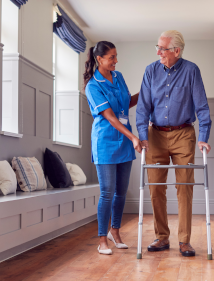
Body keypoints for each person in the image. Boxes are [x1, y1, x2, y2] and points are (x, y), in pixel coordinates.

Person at [136, 30, 212, 257]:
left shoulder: (191, 70)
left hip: (183, 134)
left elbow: (202, 107)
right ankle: (161, 237)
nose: (158, 52)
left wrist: (204, 137)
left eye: (163, 48)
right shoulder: (150, 71)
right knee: (155, 188)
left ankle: (185, 241)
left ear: (176, 51)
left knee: (185, 187)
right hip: (155, 135)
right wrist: (142, 136)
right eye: (157, 47)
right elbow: (142, 108)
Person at [84, 41, 141, 255]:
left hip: (125, 140)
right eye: (112, 57)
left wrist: (147, 90)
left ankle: (115, 232)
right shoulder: (93, 85)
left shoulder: (119, 77)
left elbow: (127, 104)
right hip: (105, 142)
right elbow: (109, 116)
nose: (116, 61)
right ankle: (102, 239)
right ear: (99, 59)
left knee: (121, 193)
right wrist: (133, 137)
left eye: (116, 56)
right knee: (107, 192)